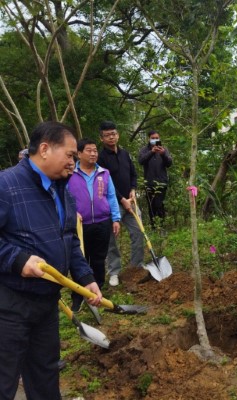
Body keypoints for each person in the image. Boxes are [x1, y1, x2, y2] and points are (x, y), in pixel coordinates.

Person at [0, 121, 102, 399]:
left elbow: (69, 239)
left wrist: (86, 277)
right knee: (4, 380)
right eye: (70, 155)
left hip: (45, 306)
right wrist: (17, 260)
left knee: (45, 378)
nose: (74, 161)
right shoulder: (6, 185)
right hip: (10, 306)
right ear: (44, 149)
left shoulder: (62, 190)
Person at [68, 139, 121, 312]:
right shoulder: (70, 173)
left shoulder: (104, 173)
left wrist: (116, 218)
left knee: (98, 259)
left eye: (95, 150)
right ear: (79, 153)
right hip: (79, 225)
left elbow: (111, 197)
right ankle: (78, 296)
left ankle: (98, 292)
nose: (93, 154)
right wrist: (71, 212)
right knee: (79, 260)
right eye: (89, 150)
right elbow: (63, 196)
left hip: (101, 223)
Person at [97, 121, 144, 287]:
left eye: (114, 134)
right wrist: (121, 200)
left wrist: (132, 189)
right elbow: (104, 183)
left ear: (118, 135)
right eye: (107, 135)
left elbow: (133, 173)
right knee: (111, 240)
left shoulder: (125, 154)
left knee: (138, 232)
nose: (111, 137)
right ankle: (114, 272)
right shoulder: (100, 158)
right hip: (111, 205)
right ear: (101, 138)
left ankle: (136, 267)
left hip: (130, 201)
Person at [138, 130, 173, 229]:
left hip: (162, 183)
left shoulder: (164, 149)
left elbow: (169, 163)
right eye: (153, 138)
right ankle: (154, 227)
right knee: (151, 205)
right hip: (149, 183)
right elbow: (141, 161)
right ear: (149, 139)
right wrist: (151, 152)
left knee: (159, 205)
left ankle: (161, 226)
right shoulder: (144, 150)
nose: (155, 140)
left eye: (157, 138)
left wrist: (163, 154)